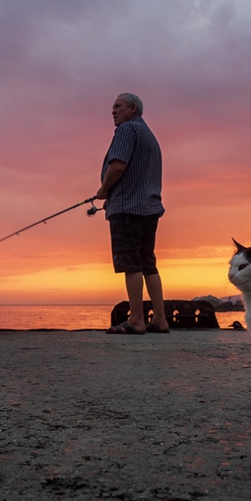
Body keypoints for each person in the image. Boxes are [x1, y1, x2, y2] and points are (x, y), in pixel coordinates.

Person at [97, 93, 169, 334]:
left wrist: (104, 190)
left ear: (133, 108)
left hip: (127, 208)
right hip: (149, 207)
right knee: (148, 263)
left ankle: (136, 320)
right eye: (112, 107)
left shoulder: (127, 130)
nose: (113, 111)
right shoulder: (149, 135)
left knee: (131, 264)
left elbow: (118, 165)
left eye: (118, 106)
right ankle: (160, 319)